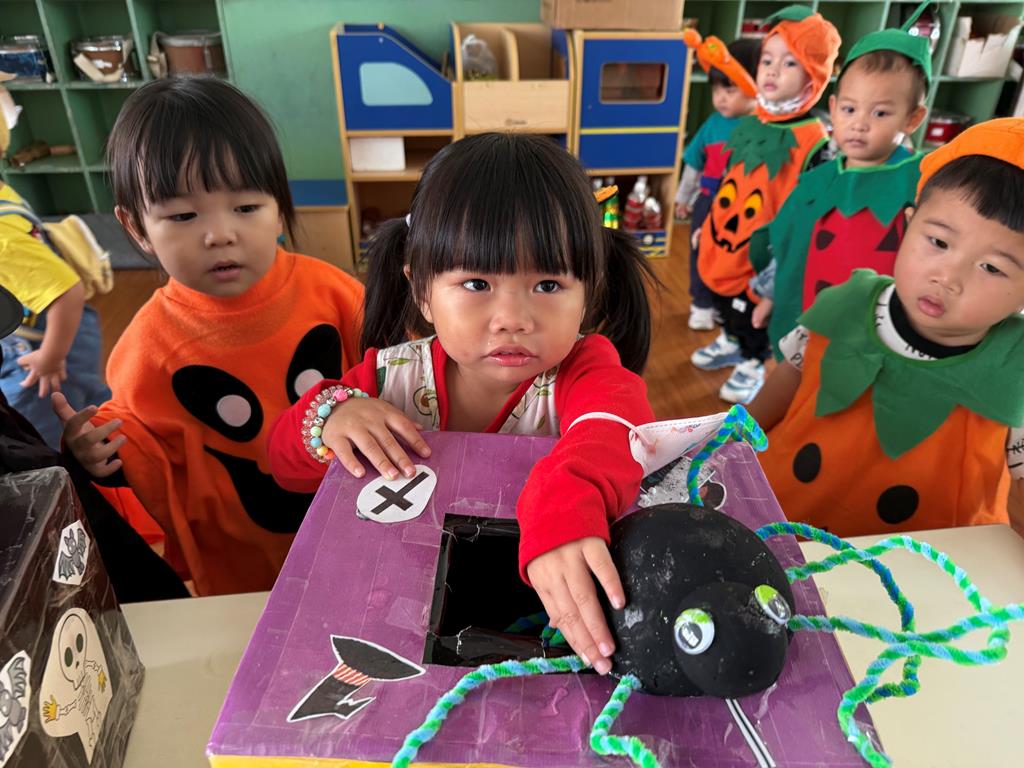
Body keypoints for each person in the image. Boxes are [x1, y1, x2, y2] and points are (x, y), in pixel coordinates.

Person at [269, 133, 658, 677]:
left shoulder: (584, 369)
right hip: (402, 611)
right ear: (422, 291)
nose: (512, 319)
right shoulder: (388, 379)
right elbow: (284, 465)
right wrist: (331, 413)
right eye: (477, 283)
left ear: (588, 293)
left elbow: (616, 426)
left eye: (548, 285)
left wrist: (568, 499)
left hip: (547, 611)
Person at [53, 77, 366, 597]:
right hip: (240, 557)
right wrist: (99, 453)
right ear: (136, 228)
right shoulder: (148, 346)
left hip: (355, 522)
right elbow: (142, 444)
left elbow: (395, 376)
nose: (220, 234)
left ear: (279, 206)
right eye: (182, 215)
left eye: (245, 208)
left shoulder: (335, 294)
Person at [748, 118, 1024, 538]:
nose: (947, 277)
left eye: (991, 267)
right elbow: (783, 385)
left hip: (921, 562)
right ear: (907, 225)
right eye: (938, 242)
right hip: (785, 524)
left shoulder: (1016, 370)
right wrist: (730, 442)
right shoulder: (844, 303)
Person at [749, 18, 931, 356]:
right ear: (833, 109)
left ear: (912, 119)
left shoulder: (922, 184)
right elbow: (788, 245)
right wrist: (771, 295)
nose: (859, 124)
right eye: (849, 109)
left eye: (880, 114)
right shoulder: (816, 182)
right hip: (808, 323)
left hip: (877, 337)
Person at [689, 6, 840, 404]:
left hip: (764, 256)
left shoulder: (815, 141)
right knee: (724, 302)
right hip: (726, 239)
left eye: (789, 63)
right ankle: (730, 340)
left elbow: (808, 217)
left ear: (813, 75)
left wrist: (777, 279)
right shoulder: (753, 120)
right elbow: (732, 177)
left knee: (753, 314)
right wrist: (707, 225)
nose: (772, 71)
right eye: (767, 61)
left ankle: (752, 362)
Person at [0, 82, 111, 449]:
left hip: (47, 348)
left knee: (46, 430)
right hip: (48, 331)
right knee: (90, 405)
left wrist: (50, 357)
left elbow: (66, 291)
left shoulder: (2, 239)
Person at [675, 37, 759, 331]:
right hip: (709, 201)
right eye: (716, 90)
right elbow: (693, 164)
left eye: (730, 90)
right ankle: (701, 304)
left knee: (737, 257)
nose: (721, 98)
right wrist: (683, 198)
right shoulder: (712, 125)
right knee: (701, 252)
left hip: (746, 208)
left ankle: (725, 303)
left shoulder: (763, 126)